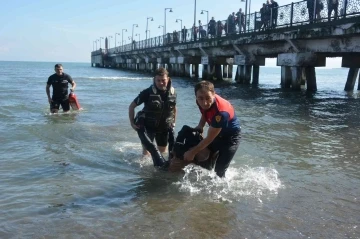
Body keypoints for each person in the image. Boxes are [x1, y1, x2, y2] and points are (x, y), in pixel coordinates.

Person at [183, 81, 241, 177]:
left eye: (208, 98)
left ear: (214, 94)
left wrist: (192, 153)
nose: (204, 102)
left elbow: (209, 138)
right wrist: (200, 125)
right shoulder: (200, 101)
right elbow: (205, 112)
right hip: (217, 134)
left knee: (219, 172)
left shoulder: (221, 112)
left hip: (231, 138)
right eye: (200, 98)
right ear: (196, 97)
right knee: (204, 161)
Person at [128, 67, 177, 167]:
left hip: (164, 128)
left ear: (168, 79)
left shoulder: (173, 93)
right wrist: (132, 123)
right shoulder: (147, 93)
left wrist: (173, 122)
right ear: (154, 80)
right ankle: (145, 173)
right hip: (148, 127)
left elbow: (174, 108)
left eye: (163, 80)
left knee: (163, 152)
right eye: (158, 80)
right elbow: (131, 106)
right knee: (146, 155)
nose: (161, 83)